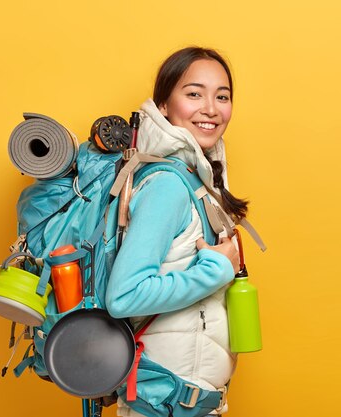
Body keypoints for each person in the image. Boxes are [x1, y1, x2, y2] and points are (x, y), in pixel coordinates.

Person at [105, 47, 248, 417]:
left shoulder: (198, 180)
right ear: (163, 106)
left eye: (222, 96)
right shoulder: (168, 185)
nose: (211, 109)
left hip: (186, 402)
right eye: (194, 93)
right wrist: (217, 270)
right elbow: (124, 296)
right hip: (164, 404)